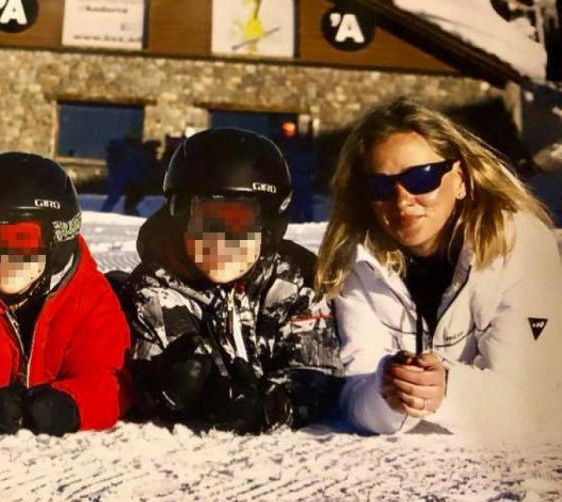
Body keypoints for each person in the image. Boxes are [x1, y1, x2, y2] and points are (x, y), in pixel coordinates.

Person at [316, 98, 562, 437]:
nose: (401, 200)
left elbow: (534, 400)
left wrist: (448, 388)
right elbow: (354, 390)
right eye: (381, 186)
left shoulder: (519, 246)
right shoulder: (359, 262)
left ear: (459, 178)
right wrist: (386, 390)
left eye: (421, 178)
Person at [121, 128, 343, 434]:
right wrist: (181, 388)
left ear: (267, 226)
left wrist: (272, 405)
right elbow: (146, 372)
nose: (222, 240)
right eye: (209, 221)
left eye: (239, 223)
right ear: (182, 218)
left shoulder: (291, 280)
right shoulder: (156, 289)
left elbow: (317, 369)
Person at [0, 152, 130, 435]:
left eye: (23, 241)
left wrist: (70, 405)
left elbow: (109, 380)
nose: (6, 257)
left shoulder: (89, 296)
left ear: (57, 240)